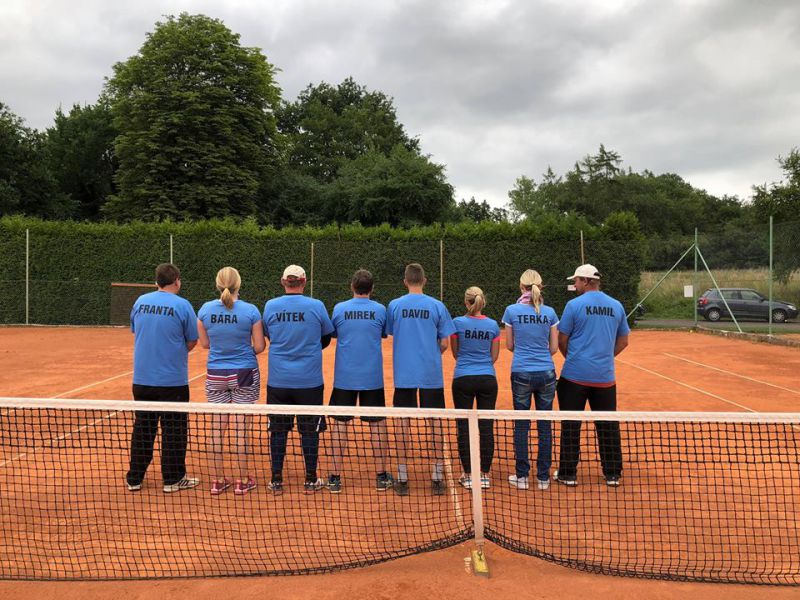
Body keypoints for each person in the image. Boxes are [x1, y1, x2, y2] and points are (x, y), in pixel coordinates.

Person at [126, 263, 200, 494]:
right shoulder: (183, 305)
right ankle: (173, 479)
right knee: (174, 431)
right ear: (176, 280)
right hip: (173, 382)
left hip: (142, 380)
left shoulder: (140, 302)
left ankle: (134, 478)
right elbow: (192, 340)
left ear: (156, 281)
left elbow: (136, 330)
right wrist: (174, 352)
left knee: (143, 428)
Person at [555, 264, 629, 487]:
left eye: (577, 281)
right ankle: (612, 474)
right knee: (607, 426)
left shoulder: (573, 305)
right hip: (605, 378)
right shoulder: (616, 305)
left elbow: (562, 340)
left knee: (570, 425)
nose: (575, 284)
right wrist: (604, 357)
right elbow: (623, 341)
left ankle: (568, 474)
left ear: (586, 282)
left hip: (573, 377)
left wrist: (573, 358)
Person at [262, 265, 334, 494]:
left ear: (283, 281)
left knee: (278, 430)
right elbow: (326, 337)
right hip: (309, 382)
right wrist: (308, 347)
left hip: (278, 381)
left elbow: (269, 334)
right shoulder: (317, 306)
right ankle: (311, 479)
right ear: (304, 281)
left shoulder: (270, 306)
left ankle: (276, 480)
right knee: (309, 431)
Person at [386, 263, 456, 497]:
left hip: (404, 373)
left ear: (405, 281)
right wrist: (432, 353)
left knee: (402, 422)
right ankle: (437, 477)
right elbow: (445, 343)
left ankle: (402, 477)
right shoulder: (437, 305)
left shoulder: (395, 305)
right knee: (435, 422)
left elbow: (391, 332)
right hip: (430, 373)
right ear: (424, 281)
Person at [197, 267, 266, 496]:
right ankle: (242, 481)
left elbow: (205, 344)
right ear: (239, 284)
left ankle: (217, 481)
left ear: (218, 284)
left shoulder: (205, 310)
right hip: (244, 372)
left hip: (216, 373)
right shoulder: (251, 310)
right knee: (240, 427)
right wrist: (242, 353)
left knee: (217, 428)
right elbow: (259, 346)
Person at [326, 269, 393, 494]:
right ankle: (381, 476)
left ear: (352, 287)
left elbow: (334, 333)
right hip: (372, 378)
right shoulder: (380, 309)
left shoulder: (339, 309)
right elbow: (383, 333)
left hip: (344, 377)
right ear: (372, 289)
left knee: (340, 424)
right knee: (377, 424)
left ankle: (334, 478)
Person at [502, 270, 559, 491]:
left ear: (521, 286)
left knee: (521, 425)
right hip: (546, 372)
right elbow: (553, 348)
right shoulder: (550, 312)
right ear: (540, 286)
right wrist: (539, 354)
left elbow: (509, 345)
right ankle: (543, 478)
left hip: (521, 373)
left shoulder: (511, 311)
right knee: (545, 426)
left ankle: (522, 477)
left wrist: (525, 353)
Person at [450, 287, 500, 490]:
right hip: (488, 379)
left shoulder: (457, 323)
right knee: (486, 426)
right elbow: (494, 356)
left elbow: (456, 353)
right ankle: (484, 475)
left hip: (463, 378)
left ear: (466, 302)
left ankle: (469, 474)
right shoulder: (493, 325)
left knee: (463, 427)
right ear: (482, 302)